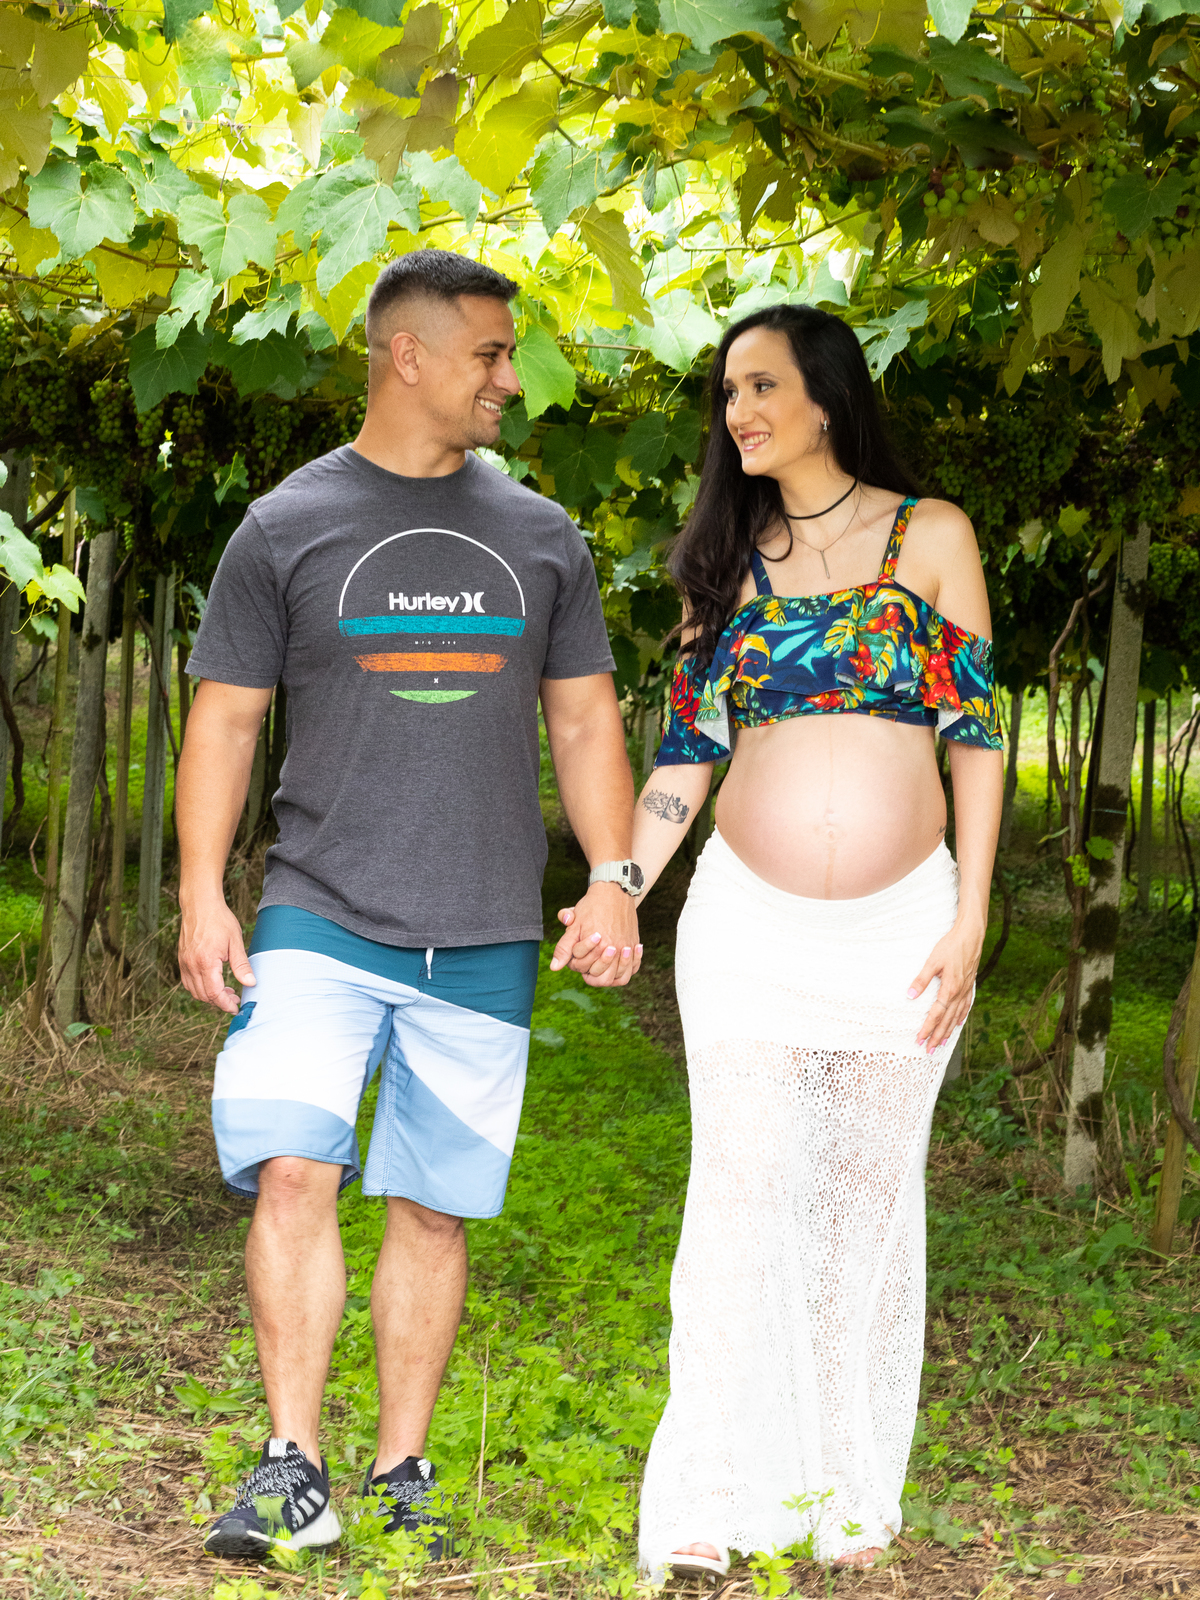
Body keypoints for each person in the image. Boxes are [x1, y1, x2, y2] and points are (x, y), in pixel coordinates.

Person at [177, 249, 644, 1560]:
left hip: (484, 928)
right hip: (317, 912)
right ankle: (292, 1466)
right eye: (491, 353)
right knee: (294, 1167)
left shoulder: (544, 537)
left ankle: (402, 1469)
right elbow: (226, 721)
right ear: (409, 356)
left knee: (432, 1205)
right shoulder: (286, 524)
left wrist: (613, 878)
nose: (511, 379)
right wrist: (202, 893)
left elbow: (585, 720)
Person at [629, 304, 1003, 1578]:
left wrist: (972, 910)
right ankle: (703, 1498)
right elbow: (687, 751)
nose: (738, 411)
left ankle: (844, 1488)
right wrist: (622, 882)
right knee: (734, 1201)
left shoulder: (931, 535)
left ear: (827, 398)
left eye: (761, 386)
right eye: (728, 393)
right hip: (746, 923)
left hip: (901, 929)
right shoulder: (726, 559)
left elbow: (977, 736)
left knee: (864, 1212)